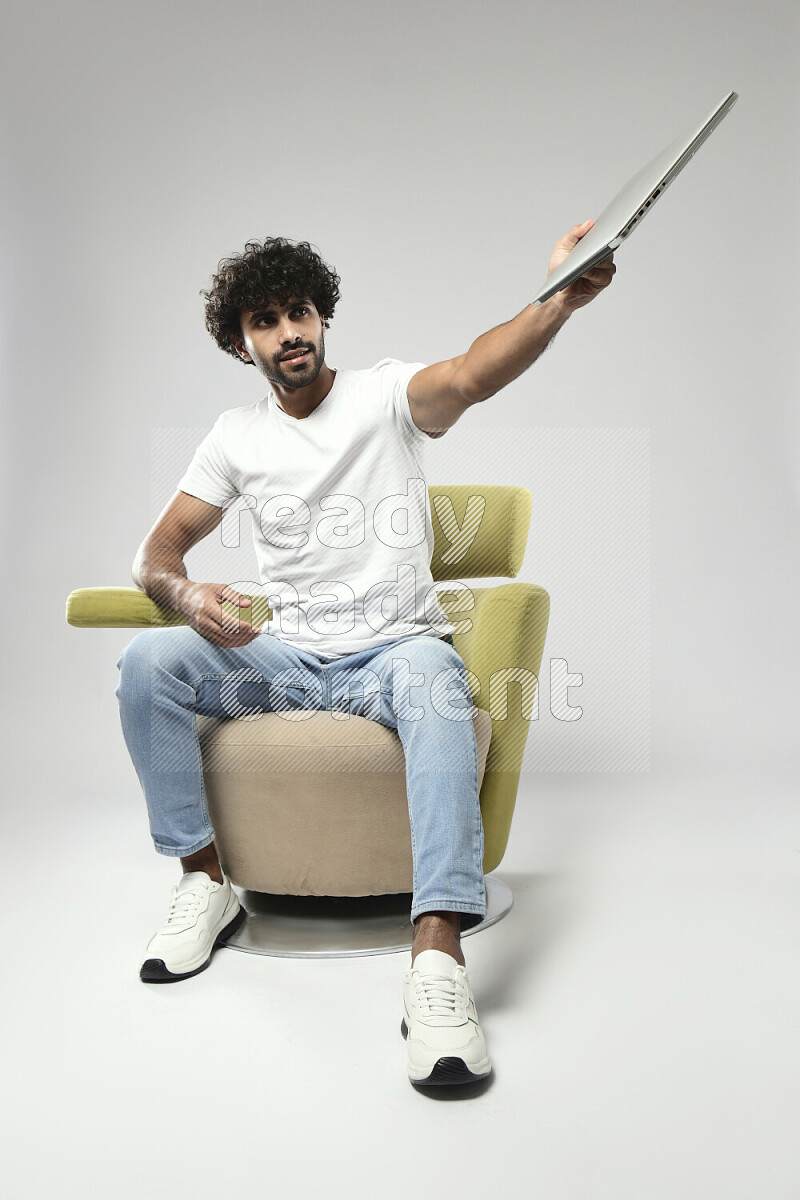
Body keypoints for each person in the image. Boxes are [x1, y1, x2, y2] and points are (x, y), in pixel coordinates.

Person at [115, 224, 615, 1088]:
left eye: (300, 312)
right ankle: (205, 883)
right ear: (245, 341)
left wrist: (558, 301)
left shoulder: (384, 395)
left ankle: (437, 963)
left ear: (323, 317)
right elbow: (155, 556)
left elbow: (471, 372)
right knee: (148, 665)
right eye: (266, 321)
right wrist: (191, 597)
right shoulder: (236, 435)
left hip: (395, 651)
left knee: (437, 682)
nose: (289, 332)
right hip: (288, 660)